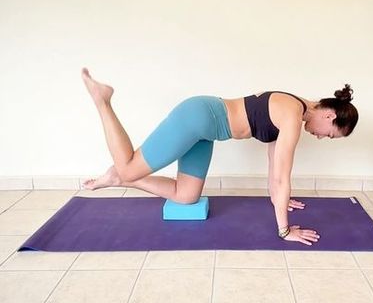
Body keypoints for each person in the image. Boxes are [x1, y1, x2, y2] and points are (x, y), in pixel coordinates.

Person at [81, 68, 358, 246]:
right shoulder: (292, 115)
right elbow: (282, 177)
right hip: (198, 116)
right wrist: (285, 231)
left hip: (206, 131)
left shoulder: (294, 109)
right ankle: (103, 101)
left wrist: (278, 199)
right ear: (329, 115)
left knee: (186, 195)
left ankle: (119, 178)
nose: (321, 137)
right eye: (329, 134)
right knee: (130, 166)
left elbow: (275, 169)